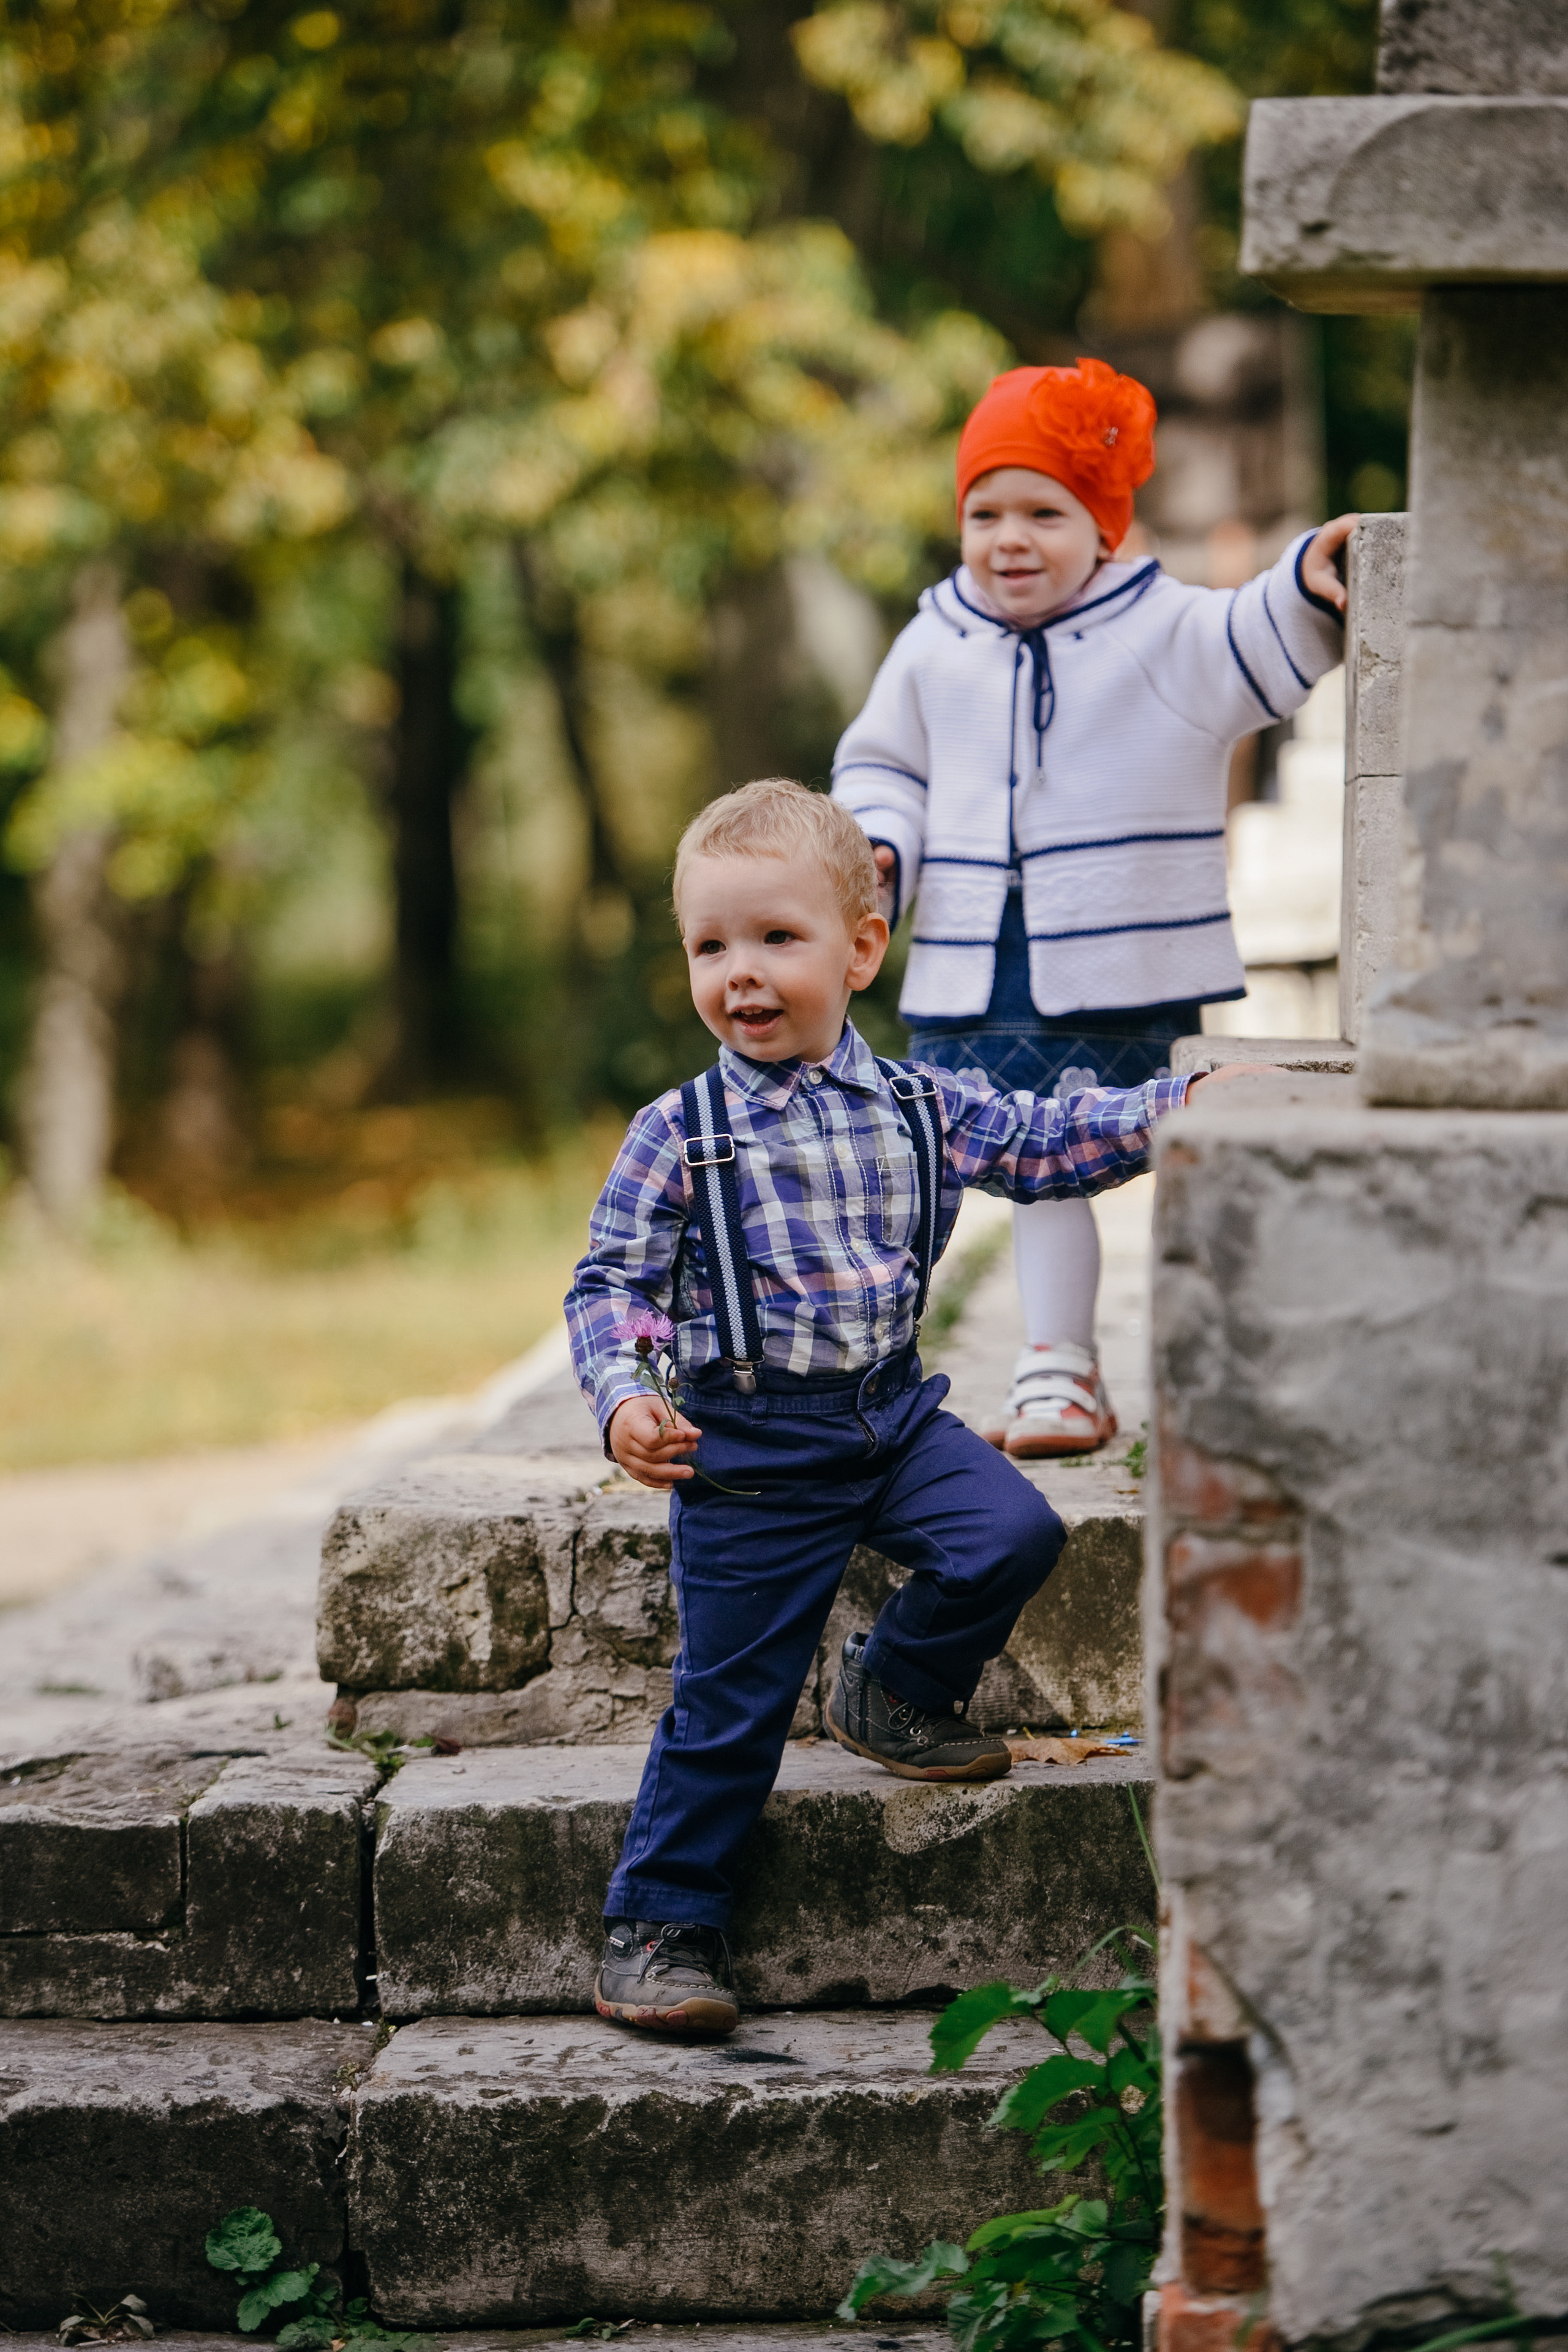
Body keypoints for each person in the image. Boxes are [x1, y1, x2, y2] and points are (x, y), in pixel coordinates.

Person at [564, 777, 1256, 2037]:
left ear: (861, 948)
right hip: (753, 1455)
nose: (742, 975)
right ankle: (658, 1923)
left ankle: (889, 1687)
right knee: (729, 1704)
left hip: (887, 1423)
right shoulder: (677, 1134)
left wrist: (1169, 1110)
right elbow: (611, 1283)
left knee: (1013, 1534)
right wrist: (623, 1397)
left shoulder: (920, 1109)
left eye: (776, 939)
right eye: (710, 947)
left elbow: (1051, 1140)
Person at [832, 358, 1354, 1458]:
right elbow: (883, 769)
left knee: (1114, 1156)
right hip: (974, 961)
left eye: (1045, 512)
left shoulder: (1153, 628)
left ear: (1105, 525)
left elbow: (1246, 639)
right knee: (978, 1165)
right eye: (985, 512)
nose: (1009, 538)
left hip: (1118, 960)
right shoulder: (934, 642)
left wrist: (1306, 572)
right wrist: (878, 850)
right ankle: (956, 1368)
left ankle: (1134, 1368)